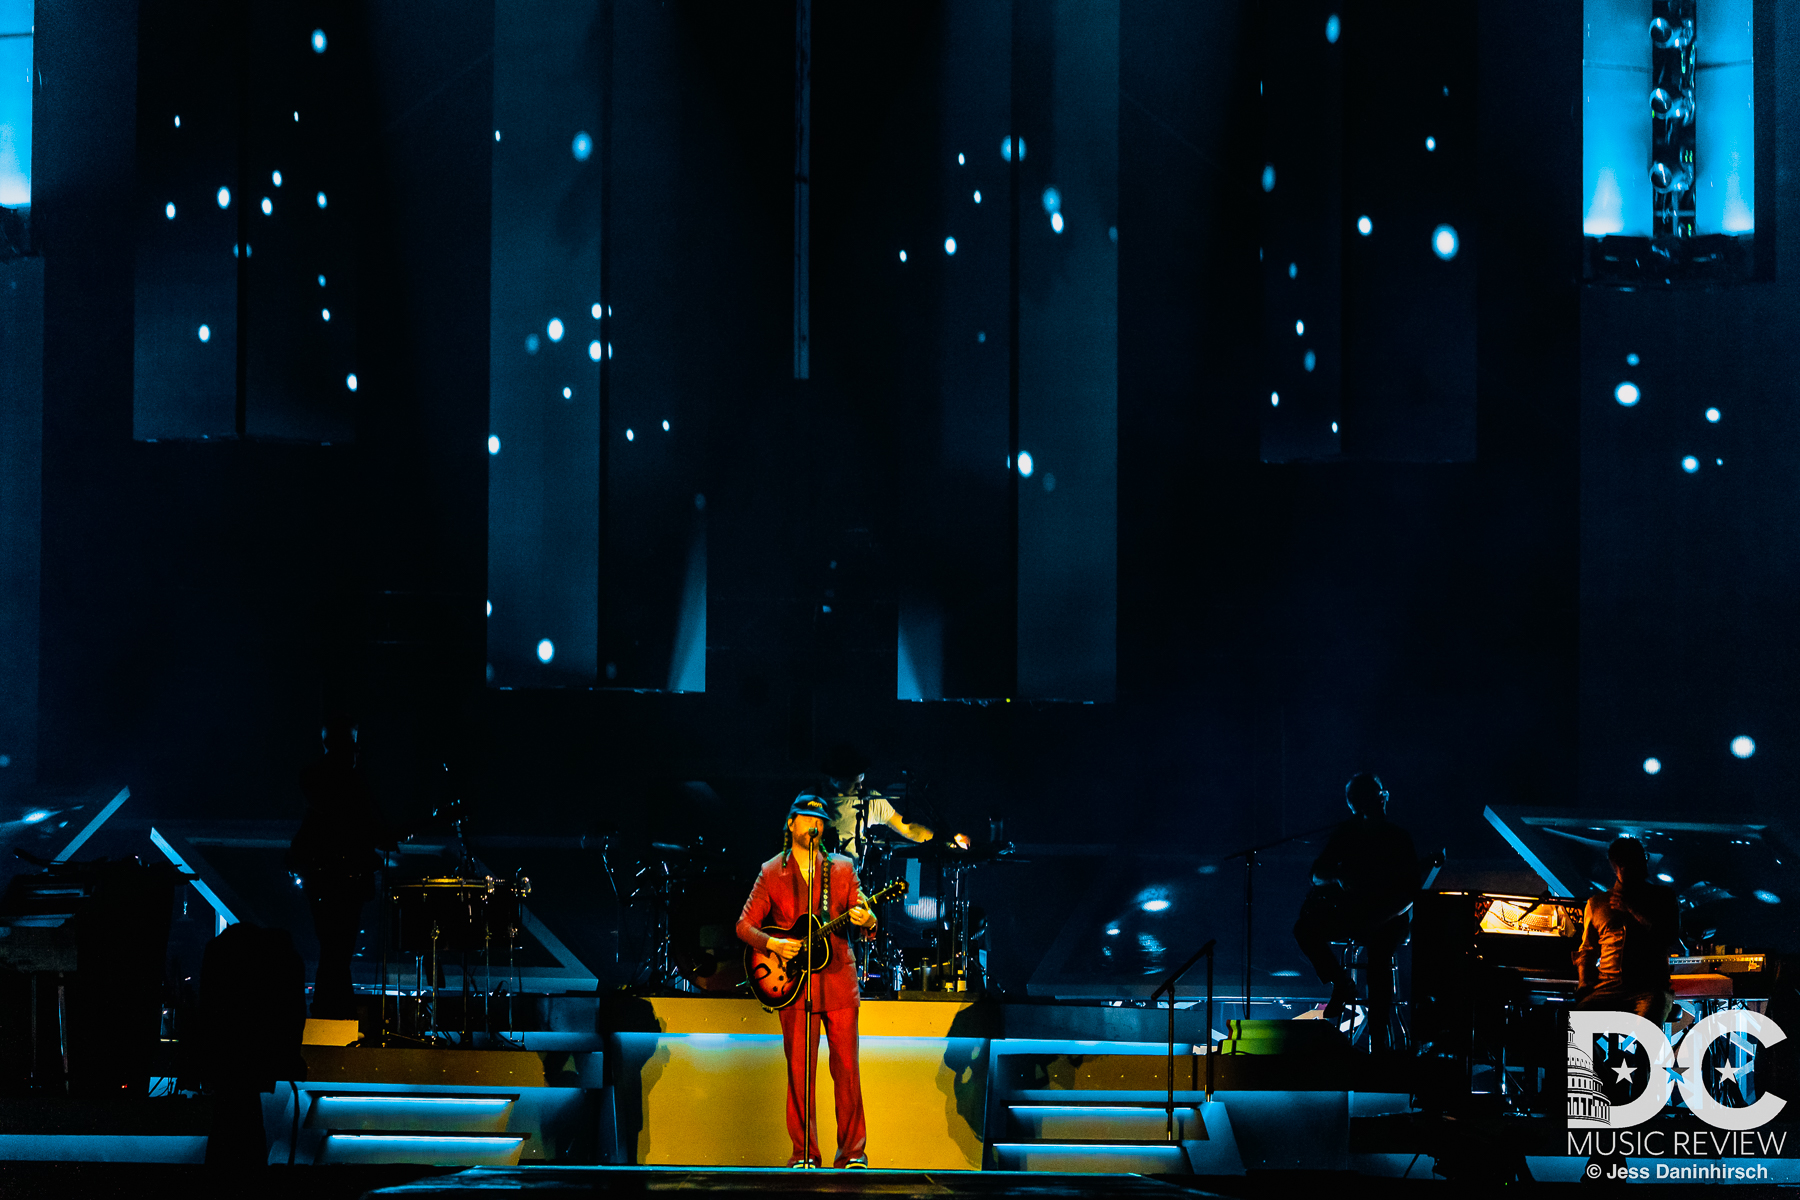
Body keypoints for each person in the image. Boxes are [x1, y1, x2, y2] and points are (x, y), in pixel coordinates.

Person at [736, 795, 878, 1168]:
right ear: (791, 824)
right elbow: (744, 926)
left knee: (847, 1069)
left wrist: (869, 921)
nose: (814, 824)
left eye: (820, 819)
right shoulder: (771, 871)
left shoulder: (843, 869)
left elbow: (864, 910)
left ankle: (853, 1153)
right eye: (807, 818)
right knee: (800, 1073)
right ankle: (804, 1154)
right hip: (795, 987)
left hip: (838, 982)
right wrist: (775, 944)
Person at [285, 715, 396, 1020]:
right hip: (339, 878)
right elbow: (362, 827)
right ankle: (332, 1014)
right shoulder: (342, 782)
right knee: (338, 951)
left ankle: (330, 1014)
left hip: (326, 877)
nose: (358, 751)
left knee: (335, 951)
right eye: (353, 743)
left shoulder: (318, 778)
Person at [1292, 772, 1420, 1038]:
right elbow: (1316, 874)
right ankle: (1341, 983)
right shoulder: (1347, 834)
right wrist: (1337, 877)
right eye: (1377, 796)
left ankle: (1379, 1038)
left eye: (1383, 795)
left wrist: (1383, 916)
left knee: (1379, 958)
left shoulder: (1398, 837)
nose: (1383, 800)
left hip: (1389, 918)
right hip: (1355, 915)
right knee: (1304, 929)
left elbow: (1410, 893)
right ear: (1357, 804)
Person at [1574, 836, 1680, 1024]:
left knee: (1648, 1033)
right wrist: (1584, 983)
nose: (1645, 864)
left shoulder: (1664, 897)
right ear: (1620, 864)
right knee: (1571, 1030)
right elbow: (1587, 951)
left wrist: (1632, 909)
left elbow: (1669, 936)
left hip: (1650, 989)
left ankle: (1640, 1054)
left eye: (1644, 857)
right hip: (1608, 988)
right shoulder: (1597, 903)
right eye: (1640, 859)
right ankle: (1595, 1055)